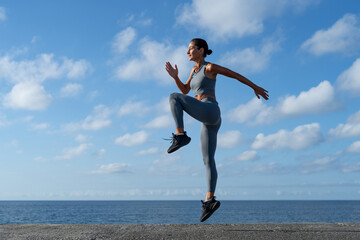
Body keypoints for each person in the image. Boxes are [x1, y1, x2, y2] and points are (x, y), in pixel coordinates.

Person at [165, 38, 269, 222]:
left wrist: (255, 87)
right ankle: (210, 200)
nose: (187, 52)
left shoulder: (209, 68)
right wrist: (175, 77)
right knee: (207, 159)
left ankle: (180, 135)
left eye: (190, 49)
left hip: (210, 109)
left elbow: (233, 74)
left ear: (201, 50)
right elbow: (185, 90)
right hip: (208, 119)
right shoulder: (193, 70)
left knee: (174, 97)